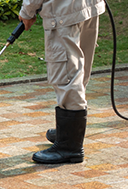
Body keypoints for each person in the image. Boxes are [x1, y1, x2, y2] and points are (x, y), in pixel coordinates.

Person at [19, 0, 105, 163]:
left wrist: (27, 11)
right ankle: (68, 133)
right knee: (79, 71)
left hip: (63, 12)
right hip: (88, 6)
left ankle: (69, 147)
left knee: (67, 77)